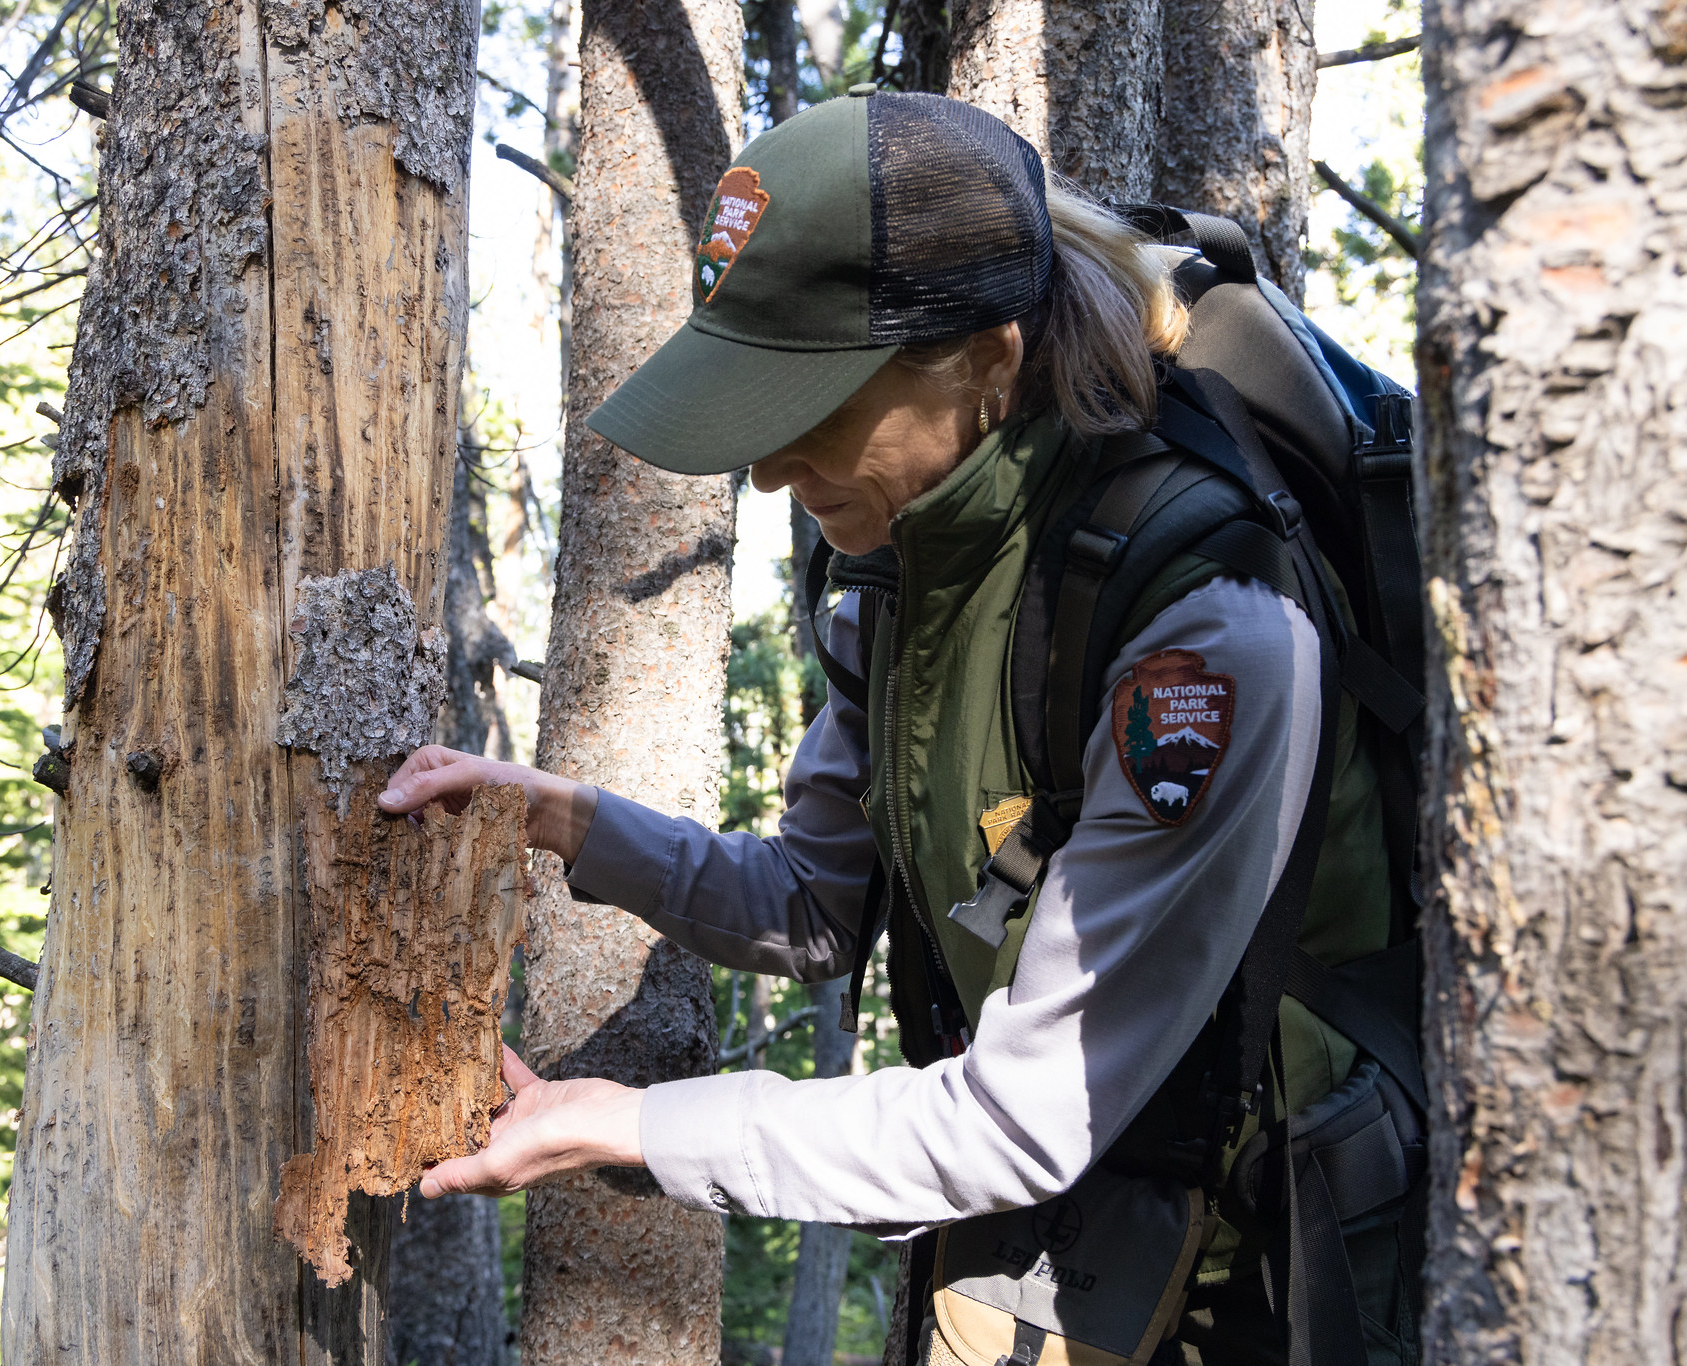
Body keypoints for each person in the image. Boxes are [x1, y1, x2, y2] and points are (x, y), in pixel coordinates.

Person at [385, 89, 1422, 1366]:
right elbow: (816, 902)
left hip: (1278, 1270)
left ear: (988, 356)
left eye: (810, 404)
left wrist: (637, 1128)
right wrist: (561, 818)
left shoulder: (1205, 629)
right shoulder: (896, 565)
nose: (766, 470)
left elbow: (1022, 1115)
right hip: (1062, 1237)